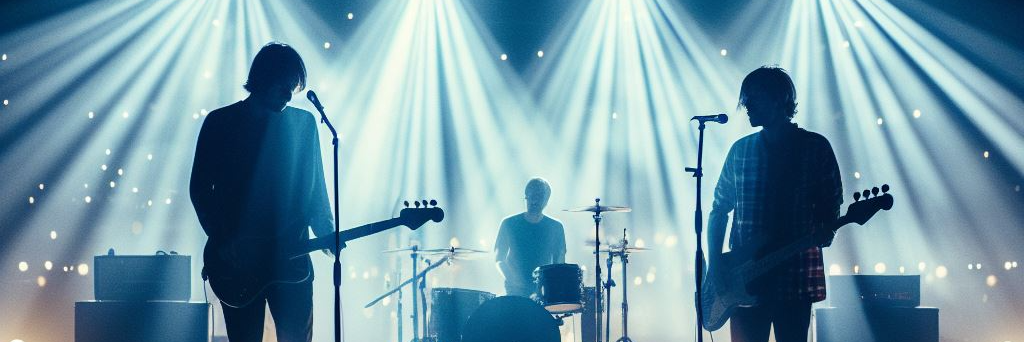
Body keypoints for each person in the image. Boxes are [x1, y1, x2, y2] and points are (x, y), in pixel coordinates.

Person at [190, 42, 333, 342]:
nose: (289, 93)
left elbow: (315, 190)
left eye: (293, 87)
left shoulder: (303, 125)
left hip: (292, 262)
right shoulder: (220, 123)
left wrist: (327, 231)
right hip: (238, 262)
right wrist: (223, 239)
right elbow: (200, 189)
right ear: (264, 78)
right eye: (284, 85)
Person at [706, 66, 843, 342]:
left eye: (753, 98)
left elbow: (830, 212)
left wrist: (825, 231)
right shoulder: (740, 151)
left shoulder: (815, 148)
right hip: (744, 278)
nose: (747, 106)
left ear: (779, 99)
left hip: (795, 280)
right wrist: (715, 264)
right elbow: (719, 210)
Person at [494, 178, 567, 297]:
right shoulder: (508, 223)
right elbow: (499, 258)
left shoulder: (556, 227)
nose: (534, 202)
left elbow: (559, 262)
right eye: (531, 197)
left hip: (543, 292)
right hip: (515, 291)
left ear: (546, 201)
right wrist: (512, 279)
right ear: (526, 196)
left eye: (539, 198)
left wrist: (553, 286)